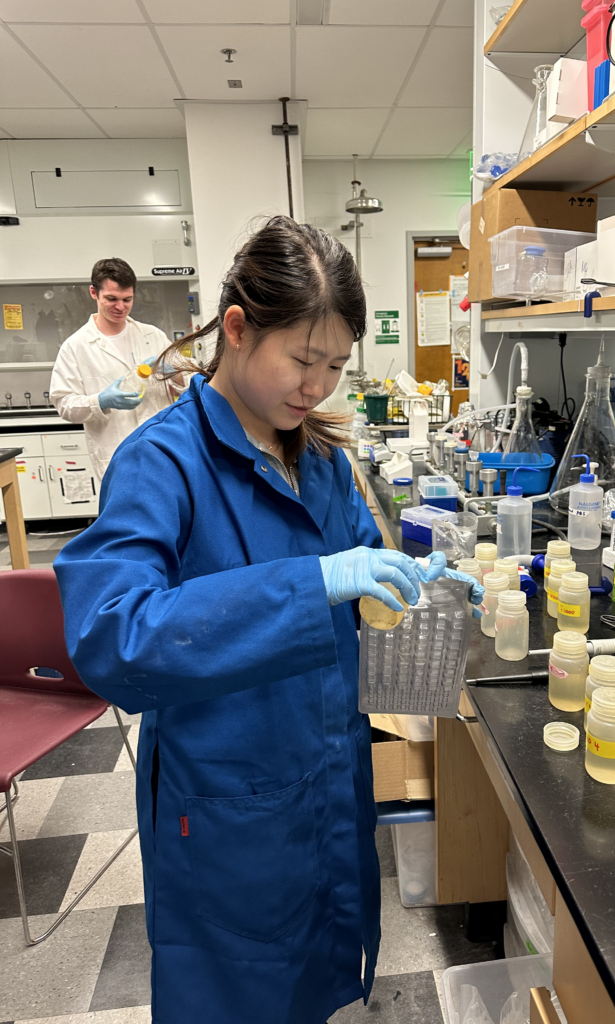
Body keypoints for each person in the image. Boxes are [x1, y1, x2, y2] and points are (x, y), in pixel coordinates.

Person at [54, 218, 483, 1024]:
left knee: (317, 976)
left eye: (336, 366)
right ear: (238, 329)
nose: (318, 386)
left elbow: (359, 574)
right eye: (303, 359)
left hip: (327, 777)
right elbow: (111, 634)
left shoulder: (319, 460)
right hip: (229, 801)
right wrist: (310, 584)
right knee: (239, 991)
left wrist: (411, 586)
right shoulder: (163, 461)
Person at [50, 257, 175, 480]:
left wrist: (176, 372)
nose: (120, 307)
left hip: (162, 449)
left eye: (127, 299)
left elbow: (186, 384)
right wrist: (100, 401)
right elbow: (64, 403)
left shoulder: (153, 336)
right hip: (116, 455)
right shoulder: (76, 346)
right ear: (94, 292)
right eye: (111, 299)